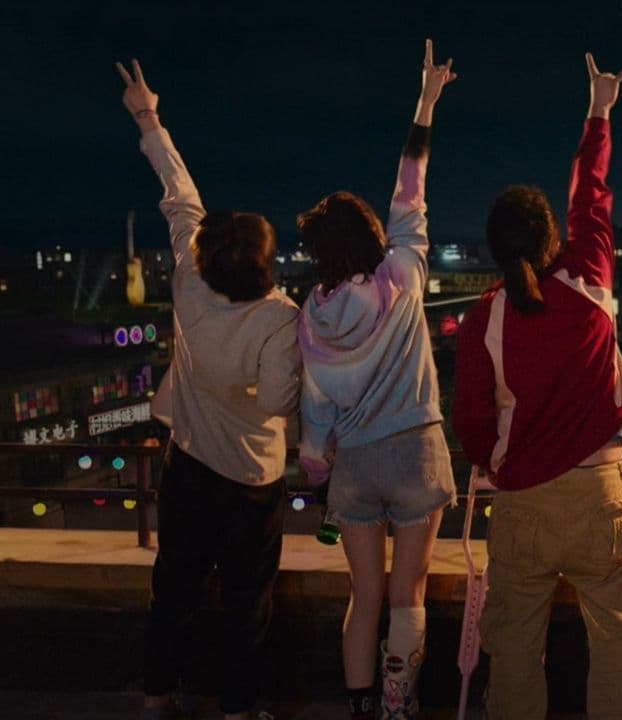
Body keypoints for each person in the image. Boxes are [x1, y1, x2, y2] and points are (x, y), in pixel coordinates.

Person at [452, 52, 622, 720]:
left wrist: (493, 461)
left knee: (513, 649)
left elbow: (472, 421)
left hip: (523, 502)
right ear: (551, 239)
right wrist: (599, 111)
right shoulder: (589, 282)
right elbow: (589, 198)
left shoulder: (485, 317)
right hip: (599, 495)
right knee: (618, 643)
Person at [117, 59, 301, 720]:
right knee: (248, 599)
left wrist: (148, 117)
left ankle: (157, 696)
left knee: (174, 589)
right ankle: (237, 709)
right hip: (251, 481)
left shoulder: (190, 284)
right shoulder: (279, 318)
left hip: (187, 466)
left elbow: (179, 196)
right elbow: (278, 403)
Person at [296, 40, 458, 720]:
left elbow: (316, 410)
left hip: (355, 467)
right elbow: (409, 191)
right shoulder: (402, 279)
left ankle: (360, 704)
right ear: (371, 236)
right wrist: (425, 102)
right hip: (415, 452)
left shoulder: (312, 317)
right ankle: (398, 703)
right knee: (406, 596)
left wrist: (315, 466)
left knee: (363, 597)